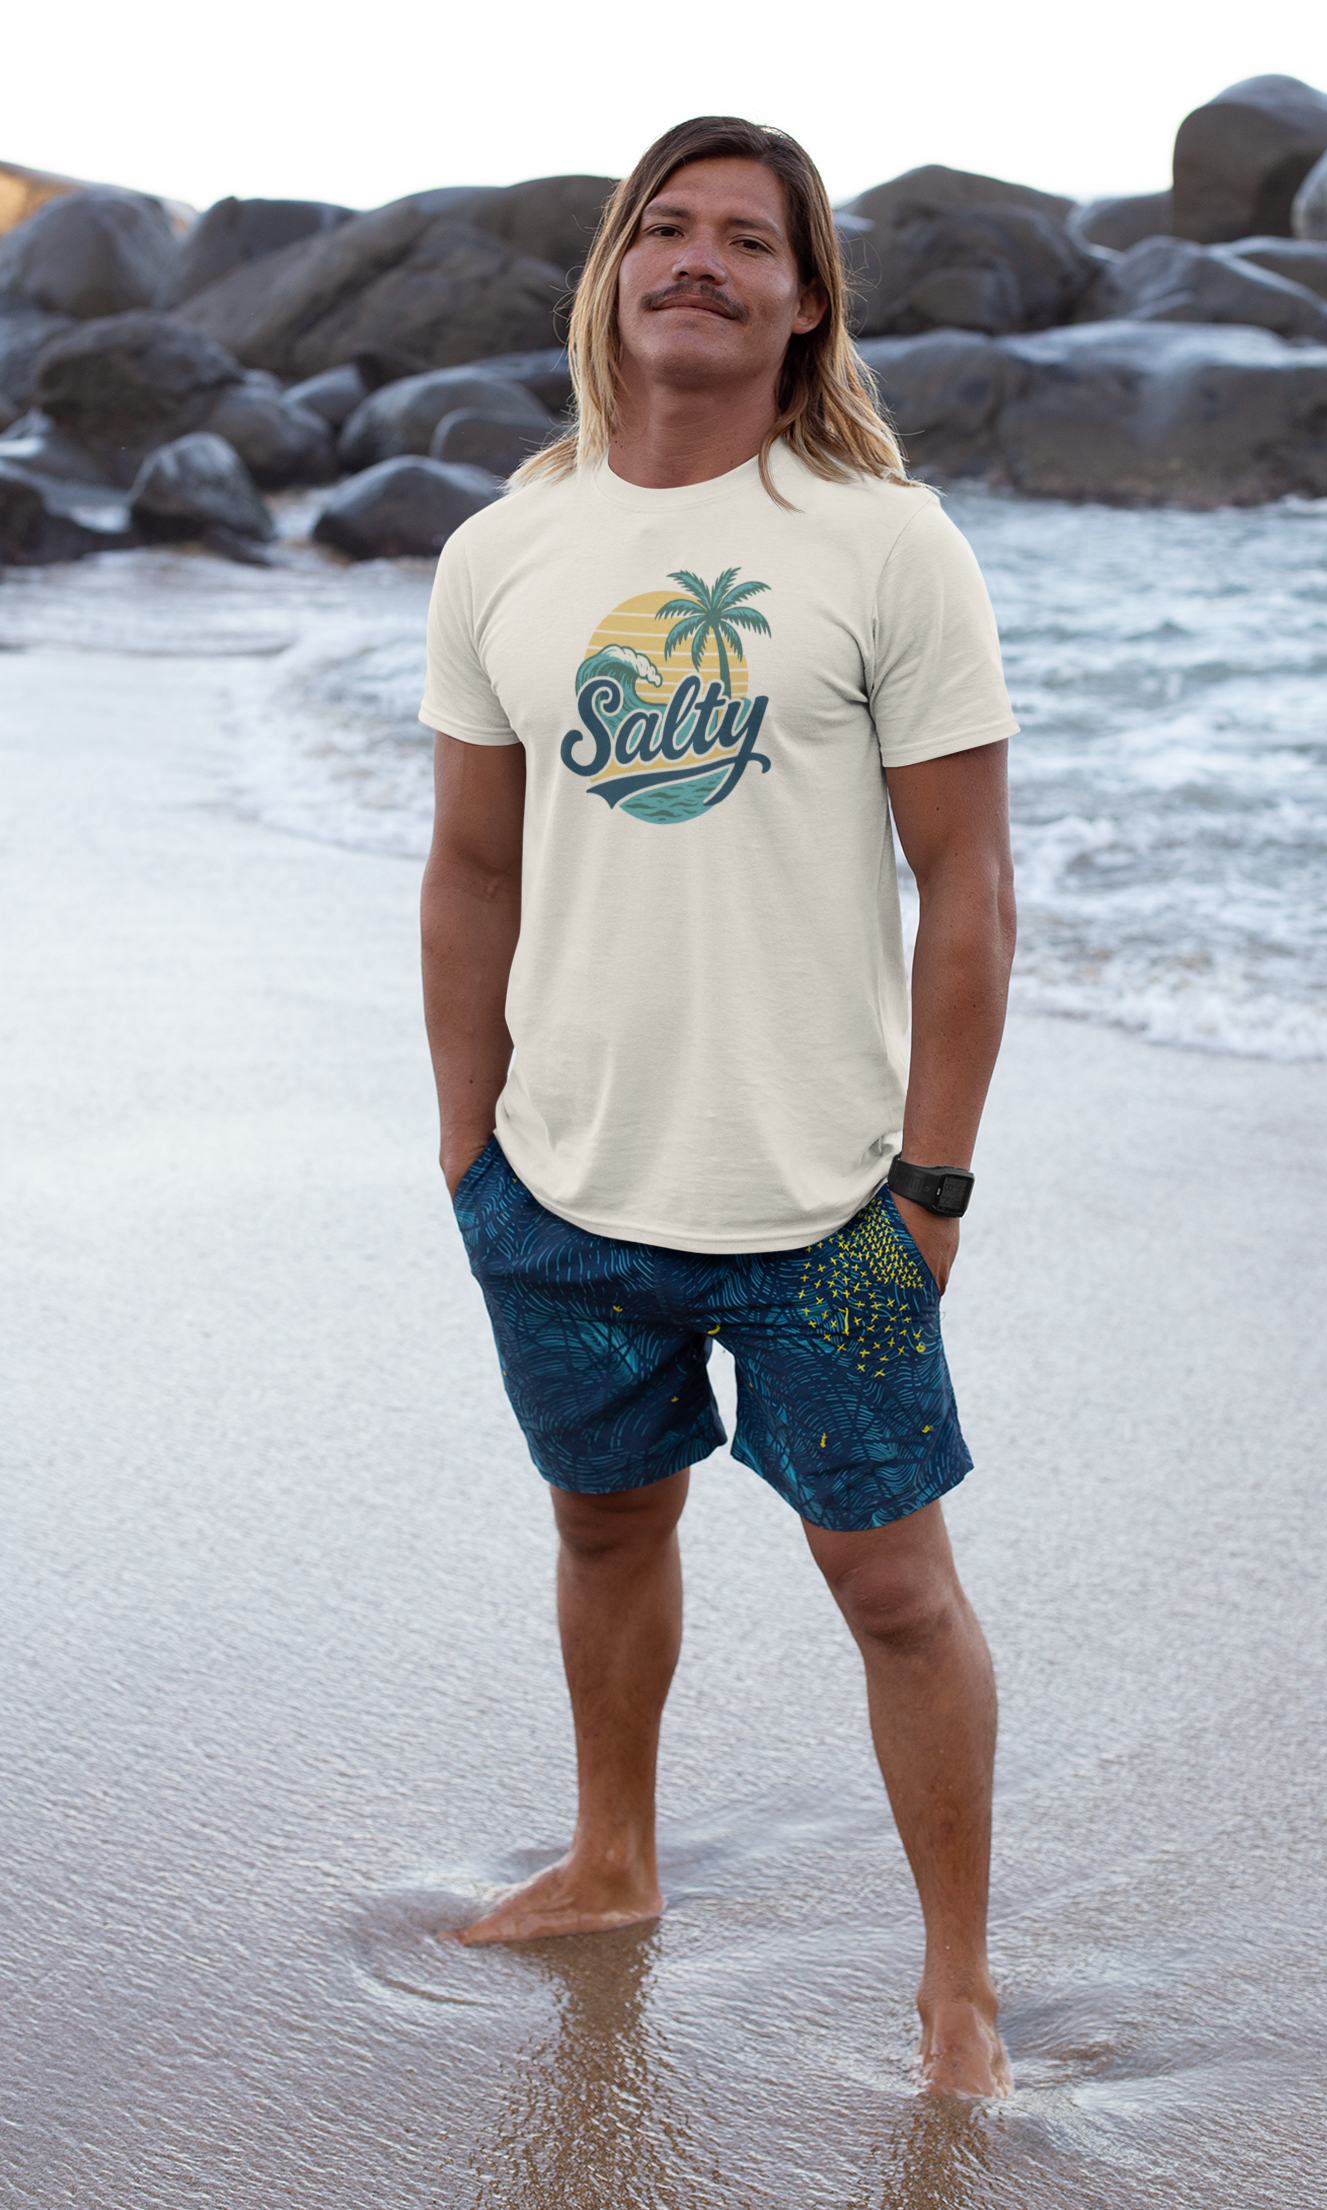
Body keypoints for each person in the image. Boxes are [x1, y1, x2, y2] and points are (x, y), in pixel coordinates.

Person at [418, 114, 1018, 2099]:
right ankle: (612, 1856)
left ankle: (955, 1991)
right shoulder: (504, 550)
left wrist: (930, 1179)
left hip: (830, 1204)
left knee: (897, 1585)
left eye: (743, 239)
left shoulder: (880, 543)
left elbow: (972, 890)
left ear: (801, 298)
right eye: (659, 230)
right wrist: (465, 1137)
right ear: (610, 280)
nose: (697, 258)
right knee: (604, 1522)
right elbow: (473, 868)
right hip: (564, 1191)